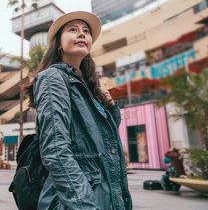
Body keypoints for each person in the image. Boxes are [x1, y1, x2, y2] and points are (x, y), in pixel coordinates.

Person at [24, 11, 132, 209]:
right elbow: (55, 150)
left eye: (86, 31)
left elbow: (102, 145)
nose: (82, 34)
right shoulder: (53, 78)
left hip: (106, 198)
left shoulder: (90, 88)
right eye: (73, 30)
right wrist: (85, 205)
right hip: (75, 203)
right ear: (58, 44)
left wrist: (111, 109)